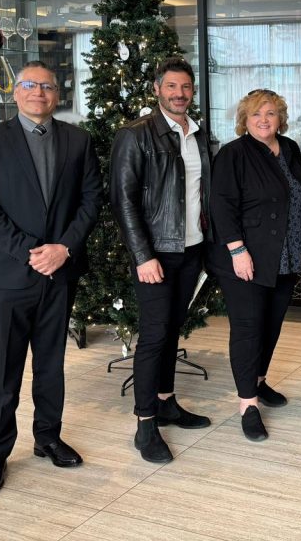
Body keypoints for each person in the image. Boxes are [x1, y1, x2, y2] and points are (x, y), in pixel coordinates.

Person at [0, 61, 102, 495]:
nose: (38, 93)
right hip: (10, 276)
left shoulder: (78, 141)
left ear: (57, 95)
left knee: (51, 365)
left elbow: (91, 200)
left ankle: (47, 437)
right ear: (15, 92)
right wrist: (30, 251)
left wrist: (64, 248)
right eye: (29, 85)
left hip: (59, 273)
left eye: (47, 86)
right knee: (4, 370)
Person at [111, 57, 212, 464]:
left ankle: (166, 402)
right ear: (156, 89)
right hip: (156, 254)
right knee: (154, 336)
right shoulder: (135, 135)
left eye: (185, 87)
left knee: (171, 331)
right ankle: (145, 423)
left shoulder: (198, 134)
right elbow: (123, 201)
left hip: (192, 251)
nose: (179, 94)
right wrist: (143, 255)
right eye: (171, 86)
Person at [208, 88, 301, 442]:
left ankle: (259, 381)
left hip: (286, 255)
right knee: (248, 329)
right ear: (244, 120)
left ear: (280, 118)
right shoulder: (233, 154)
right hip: (246, 258)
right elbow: (221, 205)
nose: (264, 120)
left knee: (272, 325)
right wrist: (237, 250)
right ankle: (247, 403)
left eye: (270, 113)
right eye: (256, 114)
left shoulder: (290, 148)